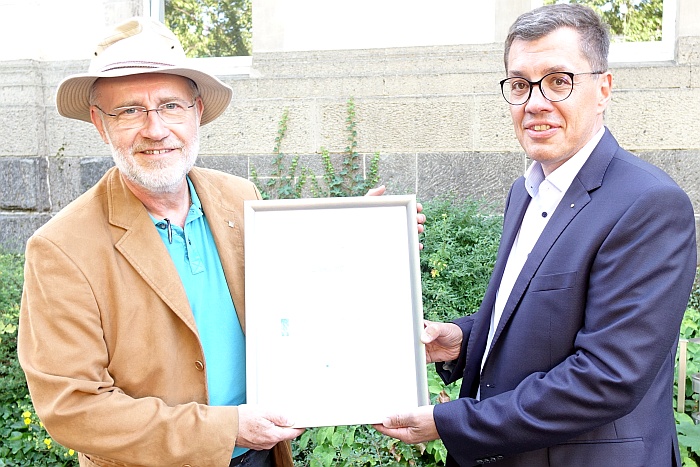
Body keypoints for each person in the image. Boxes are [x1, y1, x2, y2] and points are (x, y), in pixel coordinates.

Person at [17, 17, 423, 467]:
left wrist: (361, 245)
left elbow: (292, 299)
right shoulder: (60, 248)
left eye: (171, 105)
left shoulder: (238, 198)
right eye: (129, 110)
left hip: (261, 456)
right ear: (99, 123)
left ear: (197, 112)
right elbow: (74, 409)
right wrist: (223, 429)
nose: (155, 129)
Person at [374, 4, 697, 467]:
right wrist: (462, 339)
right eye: (520, 84)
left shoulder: (649, 205)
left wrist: (452, 423)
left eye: (559, 81)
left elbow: (606, 378)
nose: (535, 102)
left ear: (603, 88)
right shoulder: (525, 191)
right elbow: (530, 313)